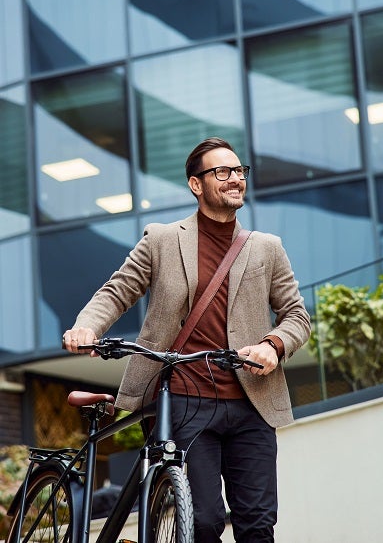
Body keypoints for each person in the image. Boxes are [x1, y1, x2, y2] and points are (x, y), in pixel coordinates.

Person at [62, 136, 311, 542]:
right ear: (196, 184)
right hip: (186, 399)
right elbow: (117, 291)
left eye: (239, 171)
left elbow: (297, 316)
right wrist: (88, 326)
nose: (235, 179)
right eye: (222, 172)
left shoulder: (267, 248)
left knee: (259, 523)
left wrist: (274, 345)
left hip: (252, 402)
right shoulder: (162, 239)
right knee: (206, 521)